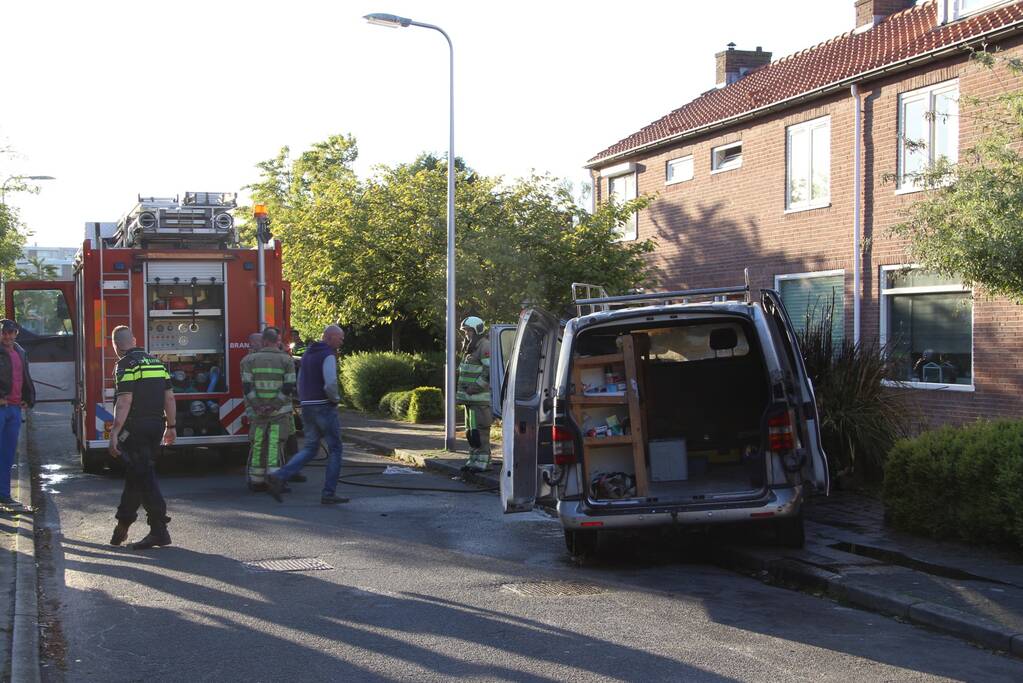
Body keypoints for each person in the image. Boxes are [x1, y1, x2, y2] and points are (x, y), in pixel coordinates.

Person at [107, 326, 176, 550]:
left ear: (115, 345)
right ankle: (124, 523)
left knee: (143, 474)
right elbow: (170, 398)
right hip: (156, 426)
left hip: (135, 427)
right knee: (138, 472)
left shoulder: (125, 364)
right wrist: (171, 426)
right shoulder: (157, 363)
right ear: (135, 340)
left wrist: (115, 432)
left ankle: (158, 529)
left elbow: (125, 400)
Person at [268, 325, 346, 504]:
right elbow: (330, 383)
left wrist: (303, 400)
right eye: (340, 338)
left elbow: (300, 379)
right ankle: (329, 493)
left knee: (311, 448)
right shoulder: (328, 355)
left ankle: (280, 476)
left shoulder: (308, 354)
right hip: (324, 406)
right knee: (335, 449)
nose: (342, 341)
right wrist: (335, 399)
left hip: (308, 406)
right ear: (330, 337)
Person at [240, 327, 296, 490]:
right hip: (279, 413)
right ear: (276, 341)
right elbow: (288, 386)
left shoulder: (248, 360)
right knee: (275, 445)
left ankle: (256, 481)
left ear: (264, 341)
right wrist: (274, 405)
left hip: (258, 414)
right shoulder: (286, 360)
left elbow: (247, 387)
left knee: (258, 444)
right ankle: (275, 480)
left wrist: (258, 406)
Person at [0, 320, 35, 512]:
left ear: (17, 333)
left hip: (14, 409)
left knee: (7, 455)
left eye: (11, 332)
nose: (7, 336)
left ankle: (4, 496)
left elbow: (24, 377)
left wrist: (27, 398)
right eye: (4, 333)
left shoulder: (20, 351)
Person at [456, 316, 492, 472]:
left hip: (480, 399)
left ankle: (483, 461)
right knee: (471, 432)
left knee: (481, 431)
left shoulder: (485, 346)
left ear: (477, 330)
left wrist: (475, 387)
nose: (466, 334)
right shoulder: (471, 346)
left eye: (469, 331)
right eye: (465, 331)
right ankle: (473, 459)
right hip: (469, 399)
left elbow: (489, 371)